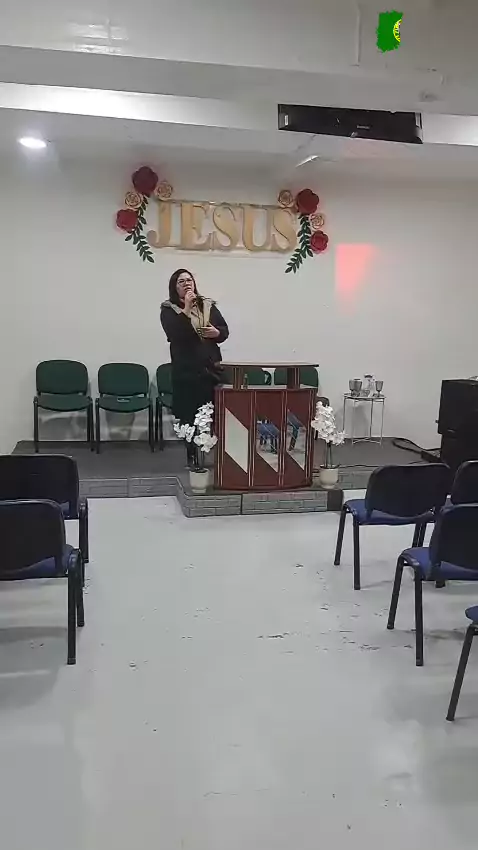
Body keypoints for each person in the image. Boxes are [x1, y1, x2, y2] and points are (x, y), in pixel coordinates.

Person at [160, 268, 229, 466]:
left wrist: (217, 332)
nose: (186, 284)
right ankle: (192, 455)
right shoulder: (169, 310)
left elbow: (224, 331)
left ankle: (214, 454)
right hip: (186, 372)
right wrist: (187, 308)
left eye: (189, 280)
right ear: (175, 287)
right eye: (181, 281)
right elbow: (175, 334)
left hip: (211, 370)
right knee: (189, 416)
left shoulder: (207, 306)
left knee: (213, 413)